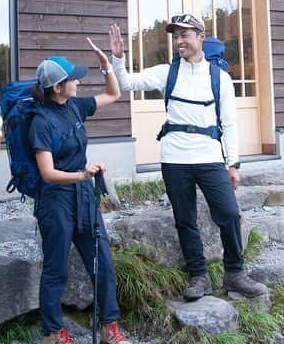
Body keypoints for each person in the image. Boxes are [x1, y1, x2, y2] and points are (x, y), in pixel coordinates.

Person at [109, 15, 268, 300]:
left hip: (209, 156)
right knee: (185, 219)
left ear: (200, 37)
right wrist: (119, 58)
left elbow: (230, 123)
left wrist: (233, 164)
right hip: (174, 158)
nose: (180, 40)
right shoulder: (166, 72)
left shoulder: (220, 78)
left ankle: (235, 273)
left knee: (229, 213)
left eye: (185, 35)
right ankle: (198, 276)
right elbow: (125, 83)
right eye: (176, 36)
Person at [31, 39, 133, 344]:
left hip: (83, 196)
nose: (78, 81)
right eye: (73, 78)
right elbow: (47, 173)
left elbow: (114, 95)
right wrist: (81, 175)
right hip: (56, 201)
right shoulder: (40, 122)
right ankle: (53, 336)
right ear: (58, 87)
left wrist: (107, 65)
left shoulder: (74, 106)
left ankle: (109, 328)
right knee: (56, 269)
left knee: (101, 261)